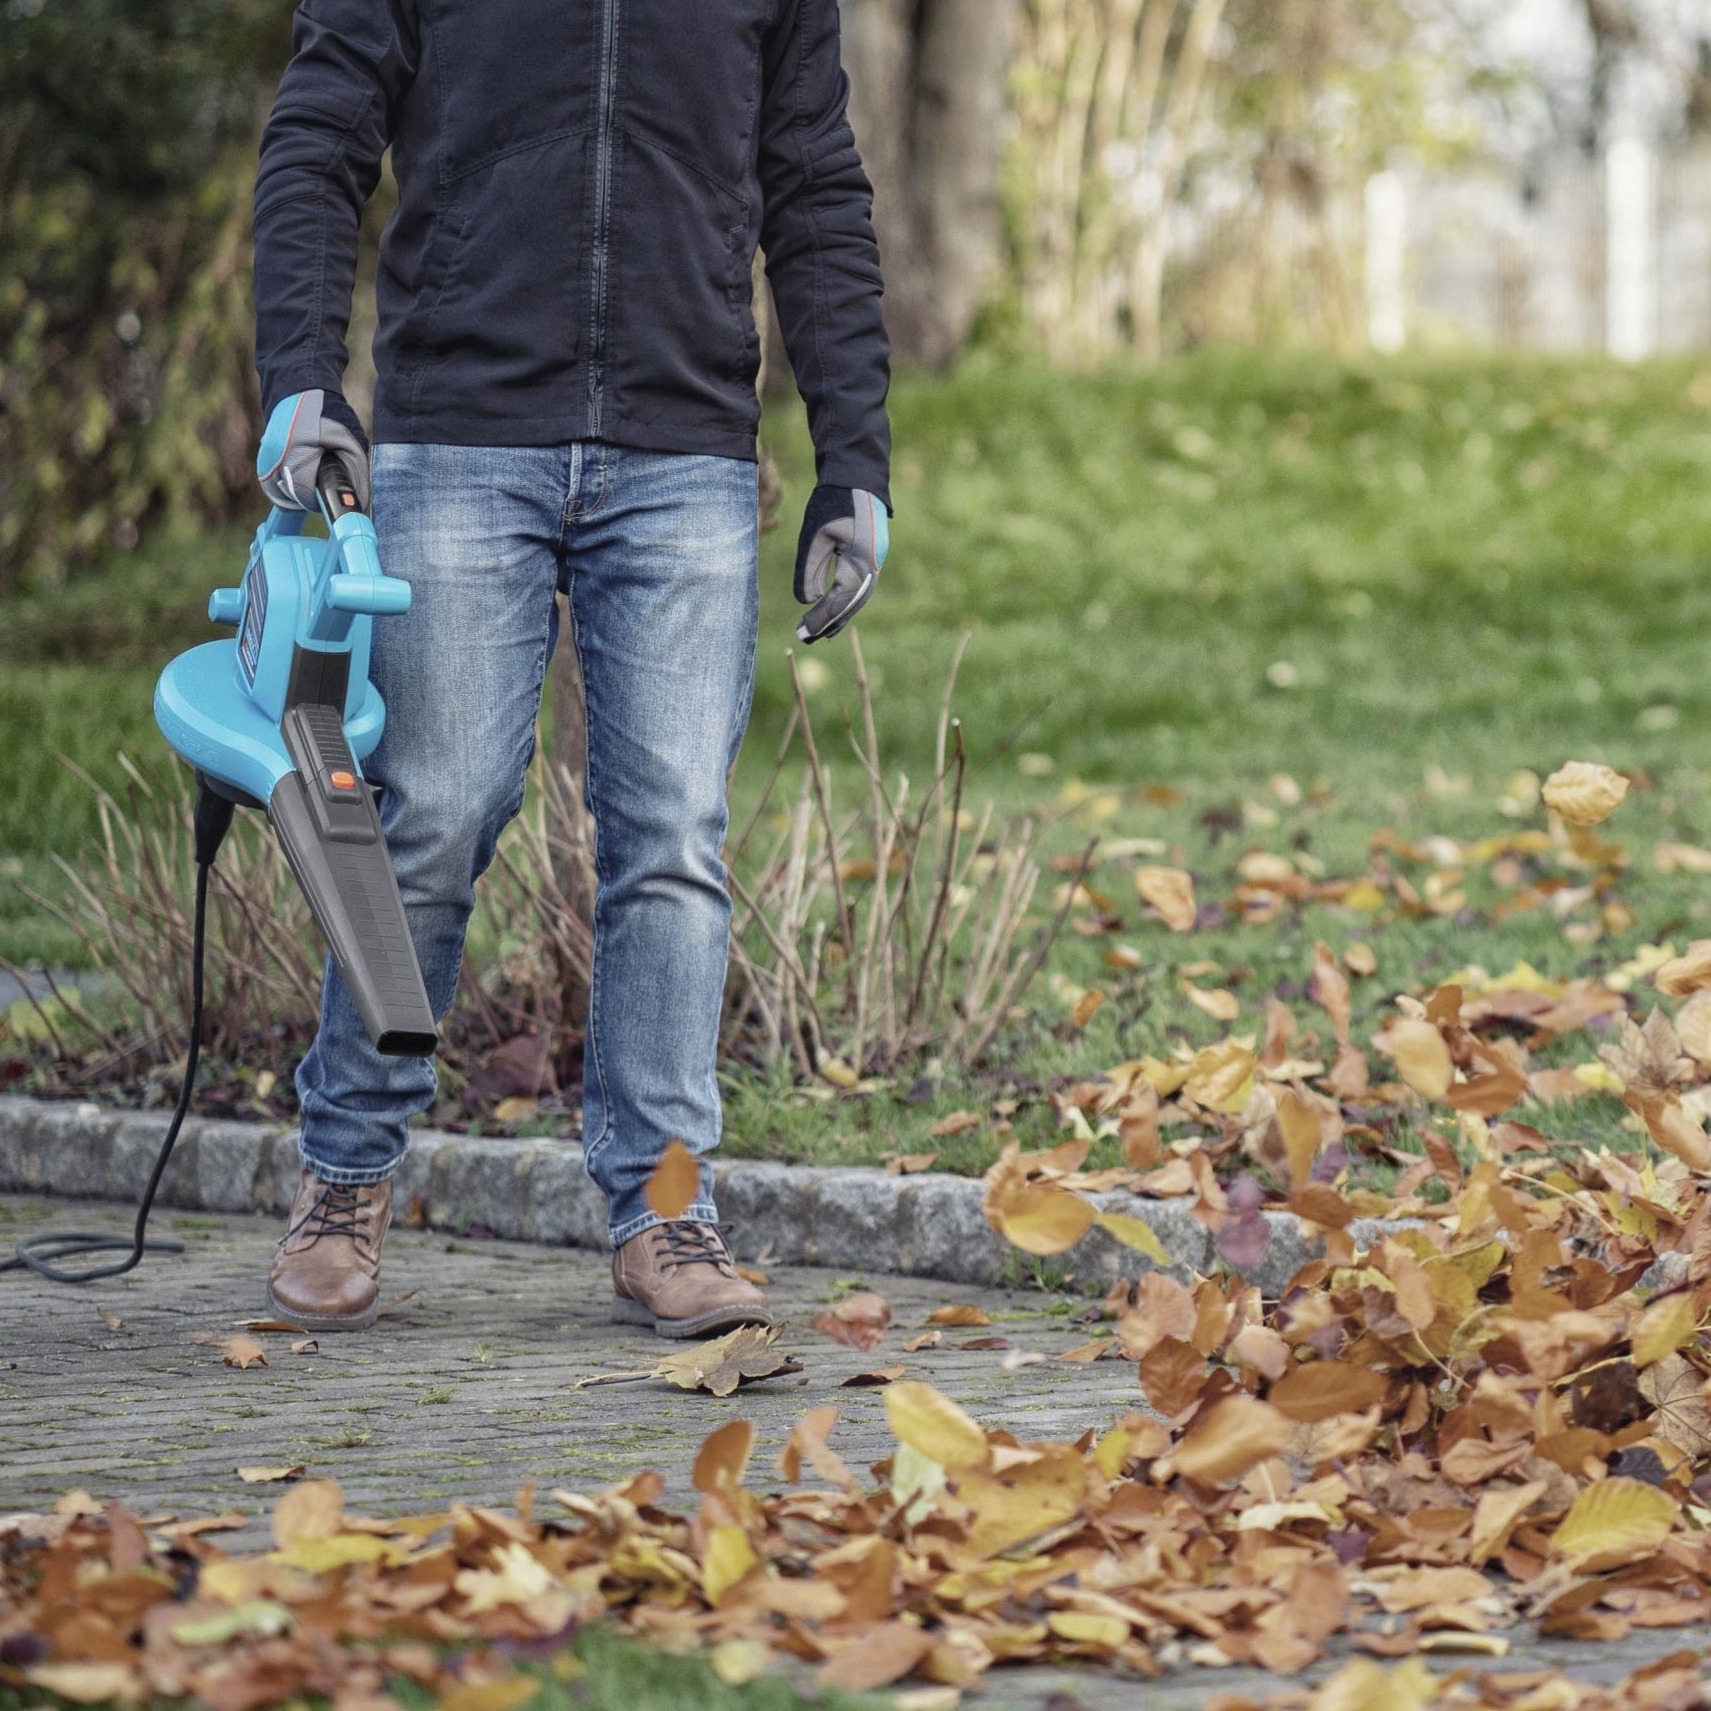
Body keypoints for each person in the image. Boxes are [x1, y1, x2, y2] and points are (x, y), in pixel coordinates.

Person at [251, 0, 891, 1337]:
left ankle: (665, 1210)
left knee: (671, 841)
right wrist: (302, 376)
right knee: (427, 814)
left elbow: (815, 182)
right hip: (458, 433)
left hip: (685, 447)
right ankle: (348, 1173)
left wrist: (855, 461)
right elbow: (318, 136)